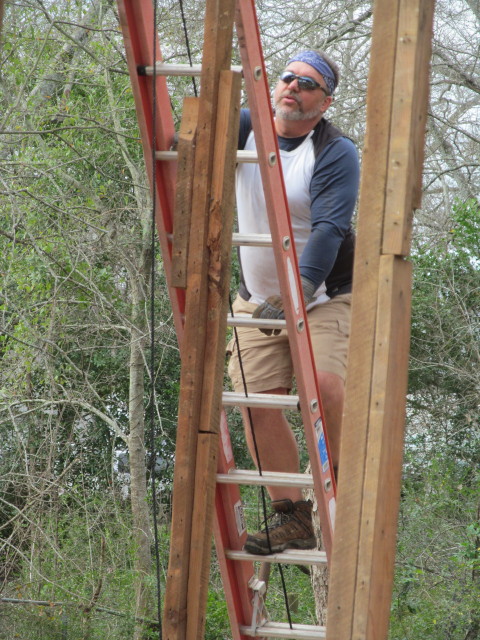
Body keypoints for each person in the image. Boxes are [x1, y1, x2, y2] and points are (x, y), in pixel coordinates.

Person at [227, 50, 360, 554]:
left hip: (323, 296)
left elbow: (329, 228)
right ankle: (293, 517)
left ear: (324, 101)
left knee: (324, 387)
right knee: (256, 406)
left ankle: (346, 492)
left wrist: (298, 293)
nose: (292, 87)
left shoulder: (334, 151)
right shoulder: (245, 127)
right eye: (287, 77)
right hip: (256, 299)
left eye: (307, 84)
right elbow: (187, 141)